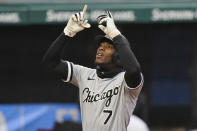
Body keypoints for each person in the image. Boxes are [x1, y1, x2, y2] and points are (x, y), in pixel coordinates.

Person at [43, 9, 144, 131]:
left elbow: (134, 70)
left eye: (108, 47)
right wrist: (67, 33)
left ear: (118, 57)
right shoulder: (84, 75)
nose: (101, 49)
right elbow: (51, 61)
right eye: (100, 46)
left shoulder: (125, 82)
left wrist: (115, 34)